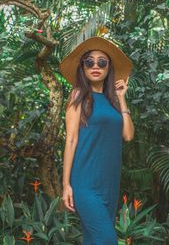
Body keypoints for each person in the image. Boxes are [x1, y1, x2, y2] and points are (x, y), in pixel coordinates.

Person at [59, 36, 135, 245]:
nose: (95, 66)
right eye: (89, 62)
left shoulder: (113, 101)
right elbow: (71, 140)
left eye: (102, 62)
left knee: (94, 240)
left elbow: (128, 135)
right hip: (84, 182)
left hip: (109, 183)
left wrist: (121, 98)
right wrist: (66, 184)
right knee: (107, 240)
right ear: (82, 67)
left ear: (109, 68)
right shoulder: (78, 96)